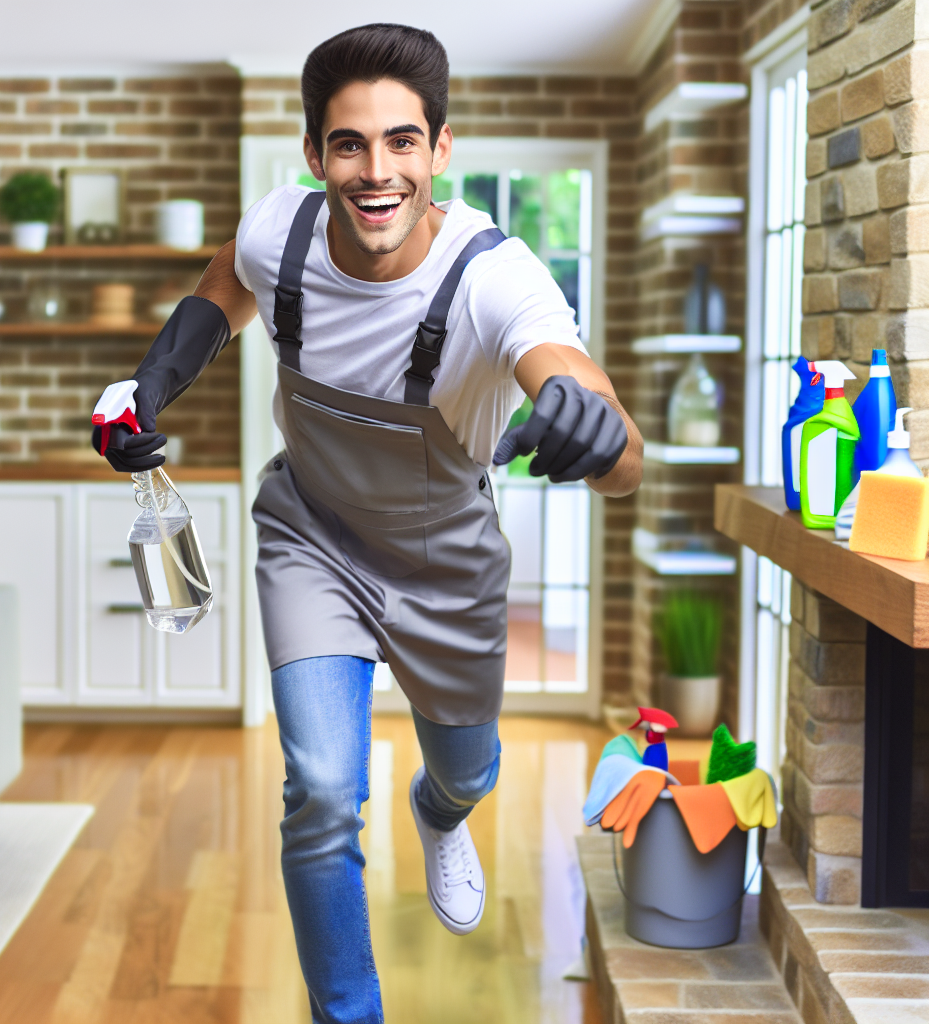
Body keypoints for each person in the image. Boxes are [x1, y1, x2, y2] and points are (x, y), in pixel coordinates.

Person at [91, 22, 642, 1023]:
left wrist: (593, 424)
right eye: (349, 144)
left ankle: (440, 811)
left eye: (401, 142)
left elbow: (603, 425)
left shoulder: (493, 275)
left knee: (469, 767)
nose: (375, 171)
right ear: (315, 154)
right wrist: (147, 386)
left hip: (447, 558)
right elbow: (221, 288)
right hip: (311, 533)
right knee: (320, 791)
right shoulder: (282, 232)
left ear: (440, 149)